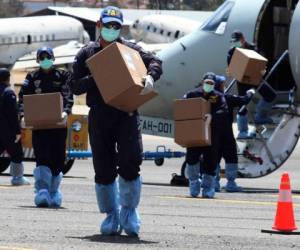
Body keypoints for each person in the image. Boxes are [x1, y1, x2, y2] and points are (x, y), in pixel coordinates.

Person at [68, 6, 162, 237]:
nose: (111, 29)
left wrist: (151, 76)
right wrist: (99, 74)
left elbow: (155, 61)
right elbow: (73, 84)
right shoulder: (87, 53)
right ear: (99, 25)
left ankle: (129, 213)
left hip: (125, 114)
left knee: (131, 160)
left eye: (116, 26)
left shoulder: (130, 49)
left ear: (120, 28)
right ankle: (111, 215)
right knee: (103, 167)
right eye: (107, 25)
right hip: (100, 115)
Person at [18, 47, 73, 208]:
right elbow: (23, 97)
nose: (45, 60)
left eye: (47, 57)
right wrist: (22, 115)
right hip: (40, 126)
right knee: (42, 156)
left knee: (57, 158)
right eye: (41, 58)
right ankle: (42, 191)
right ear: (37, 60)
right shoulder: (32, 77)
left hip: (58, 125)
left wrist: (66, 112)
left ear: (53, 58)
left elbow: (68, 95)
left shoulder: (63, 76)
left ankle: (54, 191)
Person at [184, 73, 229, 199]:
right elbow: (183, 107)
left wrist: (212, 116)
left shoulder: (219, 97)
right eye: (207, 82)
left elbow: (224, 110)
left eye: (211, 83)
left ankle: (208, 188)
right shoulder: (192, 94)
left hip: (212, 134)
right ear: (203, 82)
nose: (208, 85)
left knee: (211, 161)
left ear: (214, 84)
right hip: (195, 133)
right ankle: (193, 183)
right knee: (192, 159)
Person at [211, 73, 255, 192]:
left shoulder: (207, 99)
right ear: (219, 85)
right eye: (222, 84)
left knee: (215, 158)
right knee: (231, 158)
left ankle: (214, 183)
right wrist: (250, 92)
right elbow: (244, 100)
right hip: (226, 135)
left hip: (213, 135)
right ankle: (231, 183)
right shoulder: (227, 98)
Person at [0, 68, 30, 186]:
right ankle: (17, 178)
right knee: (16, 153)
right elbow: (13, 114)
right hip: (8, 130)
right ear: (8, 78)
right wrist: (17, 131)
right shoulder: (9, 92)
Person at [227, 30, 257, 139]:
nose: (235, 43)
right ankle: (242, 131)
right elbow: (231, 69)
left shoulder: (252, 48)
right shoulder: (231, 52)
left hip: (255, 79)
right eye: (233, 41)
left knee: (268, 96)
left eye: (237, 41)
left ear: (243, 39)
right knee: (242, 104)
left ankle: (260, 120)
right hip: (241, 81)